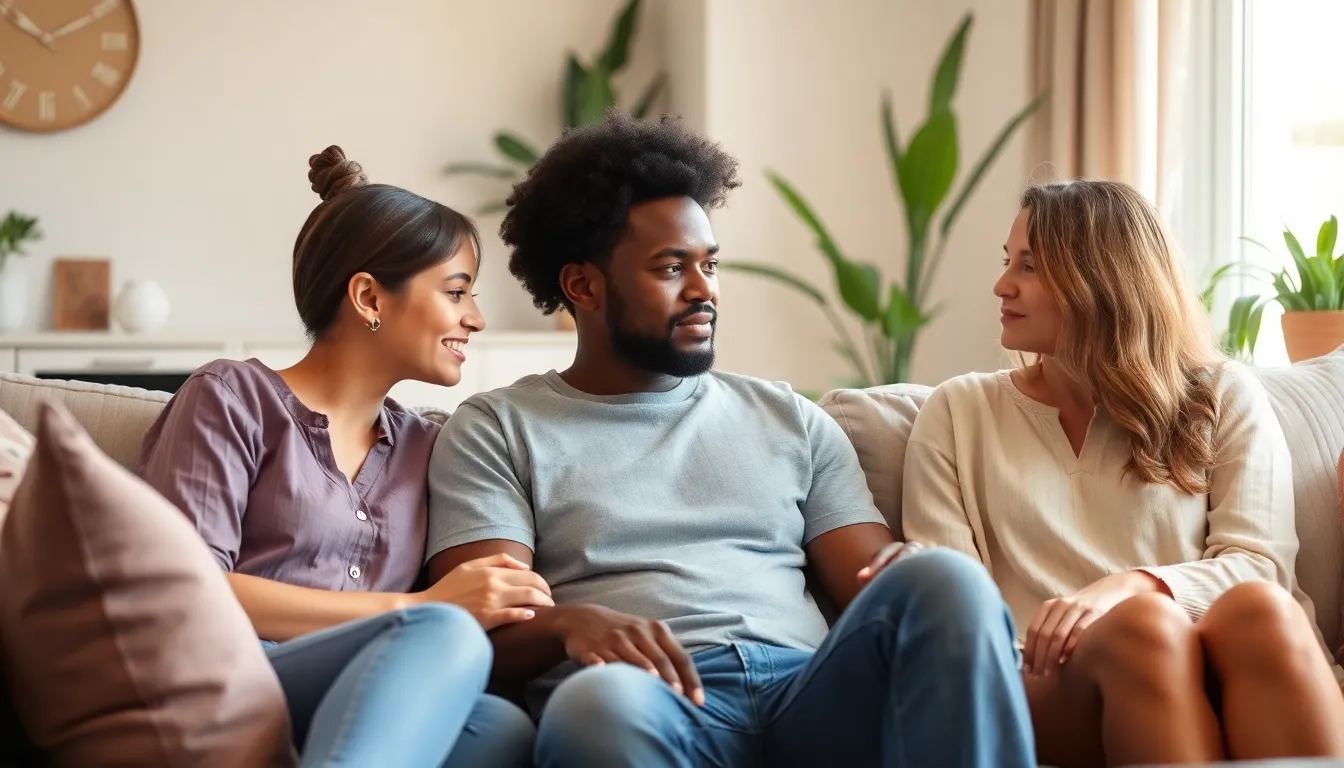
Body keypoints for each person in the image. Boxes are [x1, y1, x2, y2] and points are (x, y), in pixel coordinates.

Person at [422, 111, 1036, 768]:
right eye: (670, 268)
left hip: (809, 694)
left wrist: (914, 569)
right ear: (583, 285)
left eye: (710, 265)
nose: (703, 291)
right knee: (593, 706)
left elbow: (871, 580)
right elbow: (482, 629)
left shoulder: (787, 417)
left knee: (948, 579)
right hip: (647, 702)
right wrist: (571, 623)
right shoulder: (496, 429)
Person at [901, 178, 1344, 767]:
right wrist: (1125, 616)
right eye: (1008, 262)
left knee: (1260, 610)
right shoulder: (959, 412)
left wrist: (1127, 587)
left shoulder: (1220, 395)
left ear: (1101, 280)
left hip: (1217, 656)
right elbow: (955, 611)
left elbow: (1261, 566)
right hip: (1046, 681)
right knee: (1145, 630)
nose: (1001, 285)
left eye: (1030, 267)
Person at [137, 146, 544, 768]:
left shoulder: (426, 447)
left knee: (500, 730)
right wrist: (419, 609)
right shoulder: (231, 397)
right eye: (457, 292)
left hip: (358, 691)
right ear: (369, 298)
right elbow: (187, 589)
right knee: (442, 634)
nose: (477, 319)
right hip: (220, 681)